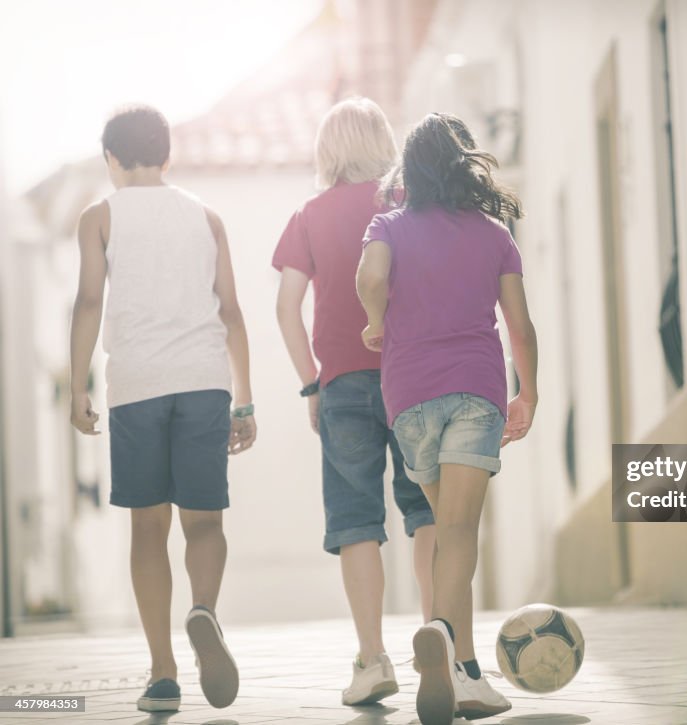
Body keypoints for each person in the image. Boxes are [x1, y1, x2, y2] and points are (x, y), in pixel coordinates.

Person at [69, 105, 256, 712]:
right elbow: (230, 311)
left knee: (148, 532)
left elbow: (89, 301)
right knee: (205, 523)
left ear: (111, 160)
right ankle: (203, 609)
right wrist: (244, 398)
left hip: (137, 385)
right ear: (168, 155)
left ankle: (163, 672)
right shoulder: (206, 217)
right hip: (204, 383)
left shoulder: (99, 217)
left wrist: (77, 388)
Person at [356, 112, 538, 725]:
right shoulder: (493, 232)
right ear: (464, 165)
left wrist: (377, 321)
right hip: (474, 393)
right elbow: (520, 324)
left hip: (407, 397)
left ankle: (463, 669)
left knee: (444, 527)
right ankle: (447, 644)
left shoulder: (387, 224)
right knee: (461, 533)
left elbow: (371, 276)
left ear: (411, 170)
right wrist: (528, 393)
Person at [273, 97, 436, 706]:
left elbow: (286, 307)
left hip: (342, 385)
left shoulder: (309, 215)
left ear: (328, 151)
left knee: (356, 522)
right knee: (427, 510)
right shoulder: (409, 204)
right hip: (415, 377)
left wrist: (311, 380)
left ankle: (372, 661)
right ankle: (437, 635)